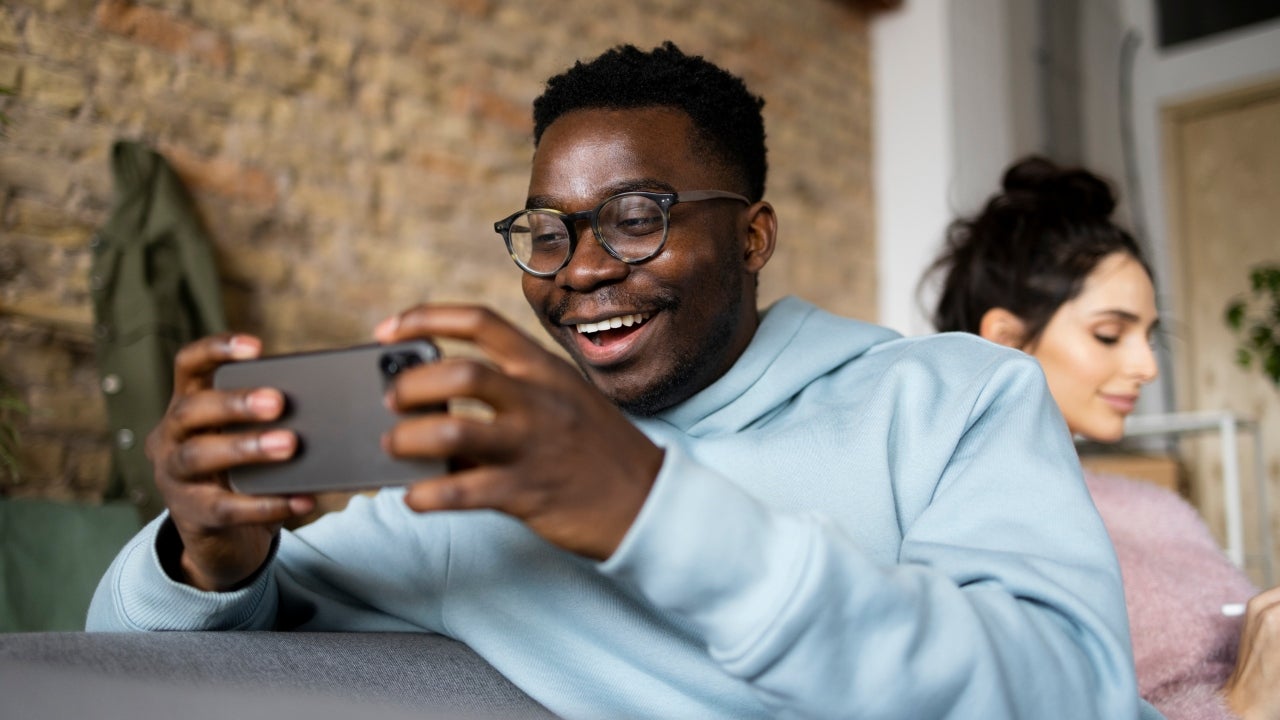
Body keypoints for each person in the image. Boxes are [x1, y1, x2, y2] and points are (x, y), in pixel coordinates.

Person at [89, 43, 1157, 719]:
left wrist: (643, 505)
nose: (584, 267)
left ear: (751, 235)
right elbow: (113, 667)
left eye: (637, 217)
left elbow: (1067, 691)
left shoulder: (955, 396)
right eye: (547, 231)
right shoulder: (477, 498)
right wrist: (208, 556)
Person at [924, 155, 1280, 720]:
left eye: (1149, 337)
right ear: (1007, 341)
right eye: (1110, 334)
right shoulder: (958, 532)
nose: (1147, 366)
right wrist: (1238, 707)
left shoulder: (1153, 507)